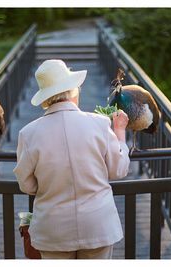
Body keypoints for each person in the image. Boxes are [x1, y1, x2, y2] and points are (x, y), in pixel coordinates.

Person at [13, 59, 130, 259]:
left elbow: (27, 185)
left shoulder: (28, 133)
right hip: (98, 226)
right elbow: (118, 170)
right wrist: (119, 132)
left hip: (53, 231)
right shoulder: (100, 124)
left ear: (45, 98)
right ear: (74, 90)